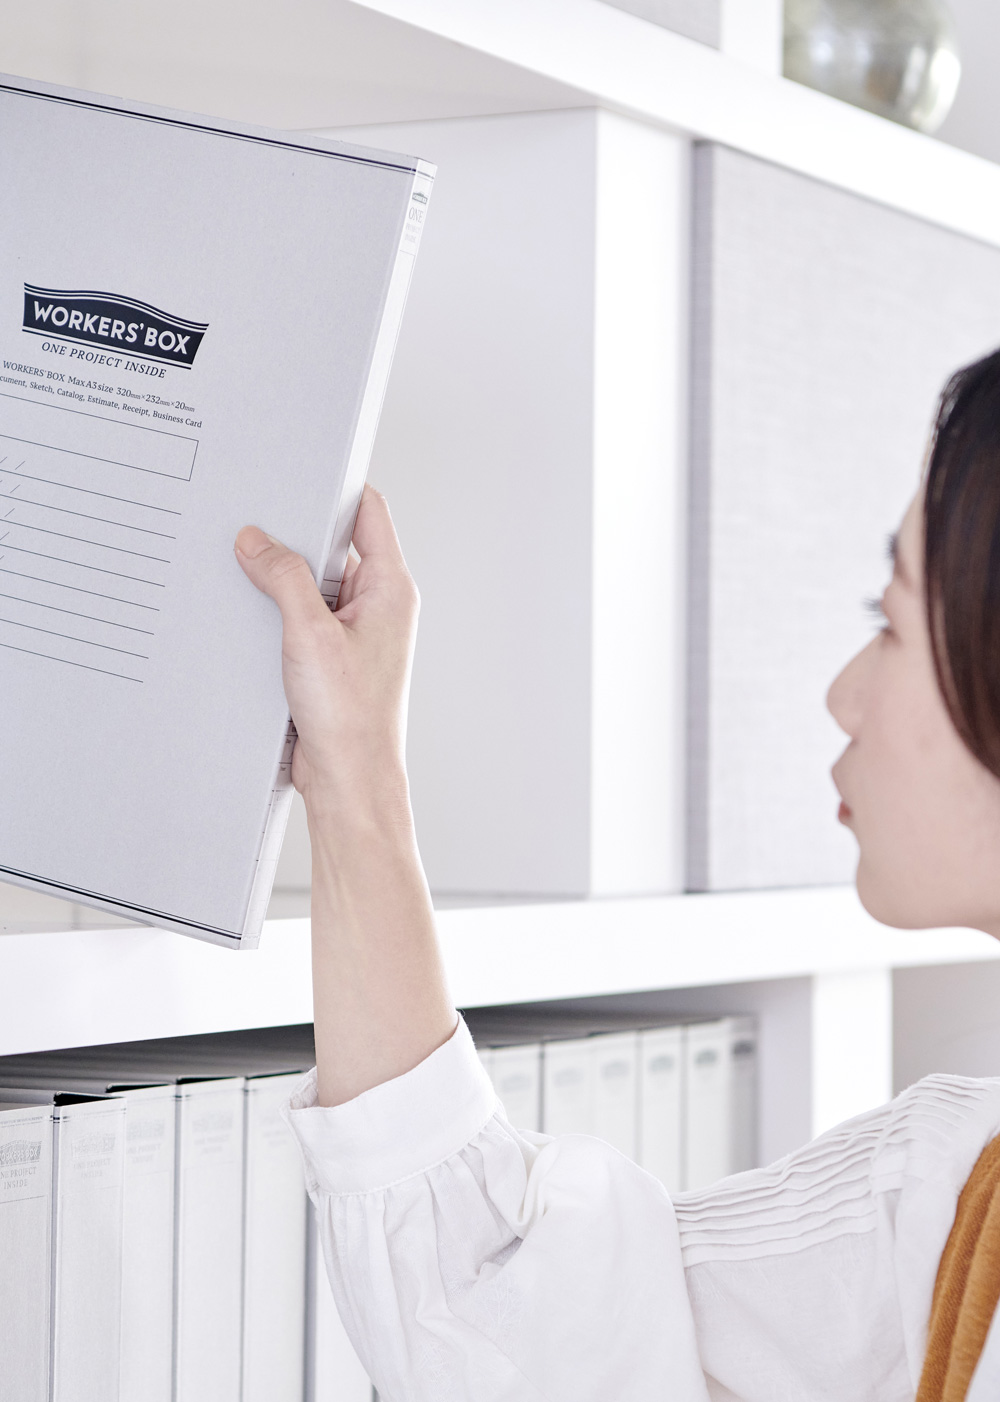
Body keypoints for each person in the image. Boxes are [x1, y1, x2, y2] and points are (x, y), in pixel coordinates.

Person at [233, 348, 1000, 1402]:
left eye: (890, 620)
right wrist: (351, 774)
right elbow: (513, 1324)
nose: (841, 695)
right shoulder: (951, 1203)